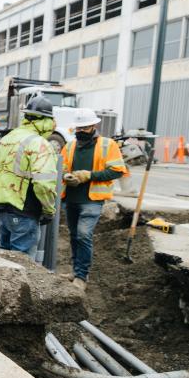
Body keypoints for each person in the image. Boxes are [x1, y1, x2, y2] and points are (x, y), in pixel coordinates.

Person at [60, 109, 128, 292]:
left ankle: (82, 276)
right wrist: (67, 176)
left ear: (94, 126)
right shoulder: (70, 146)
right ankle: (76, 272)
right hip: (71, 198)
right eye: (78, 128)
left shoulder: (108, 145)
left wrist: (89, 175)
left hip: (92, 200)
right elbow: (62, 167)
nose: (81, 131)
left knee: (83, 234)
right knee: (74, 236)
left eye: (85, 127)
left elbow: (117, 170)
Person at [0, 96, 59, 258]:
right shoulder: (39, 144)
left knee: (4, 261)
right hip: (25, 211)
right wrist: (49, 209)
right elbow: (44, 184)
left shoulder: (5, 140)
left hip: (3, 208)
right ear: (45, 121)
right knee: (21, 267)